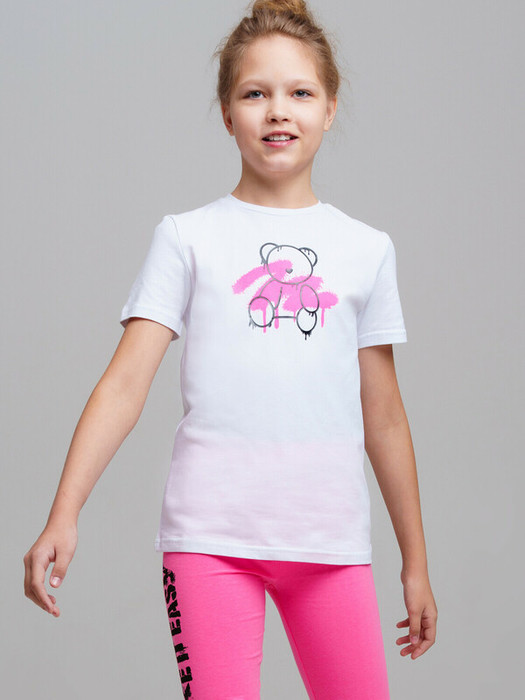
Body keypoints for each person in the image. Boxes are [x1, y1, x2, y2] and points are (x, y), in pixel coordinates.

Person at [23, 0, 438, 697]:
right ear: (226, 113)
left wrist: (414, 562)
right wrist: (64, 513)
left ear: (330, 108)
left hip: (330, 543)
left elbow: (386, 416)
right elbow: (124, 386)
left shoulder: (366, 250)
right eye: (255, 94)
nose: (278, 111)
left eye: (299, 93)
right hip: (209, 543)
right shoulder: (186, 238)